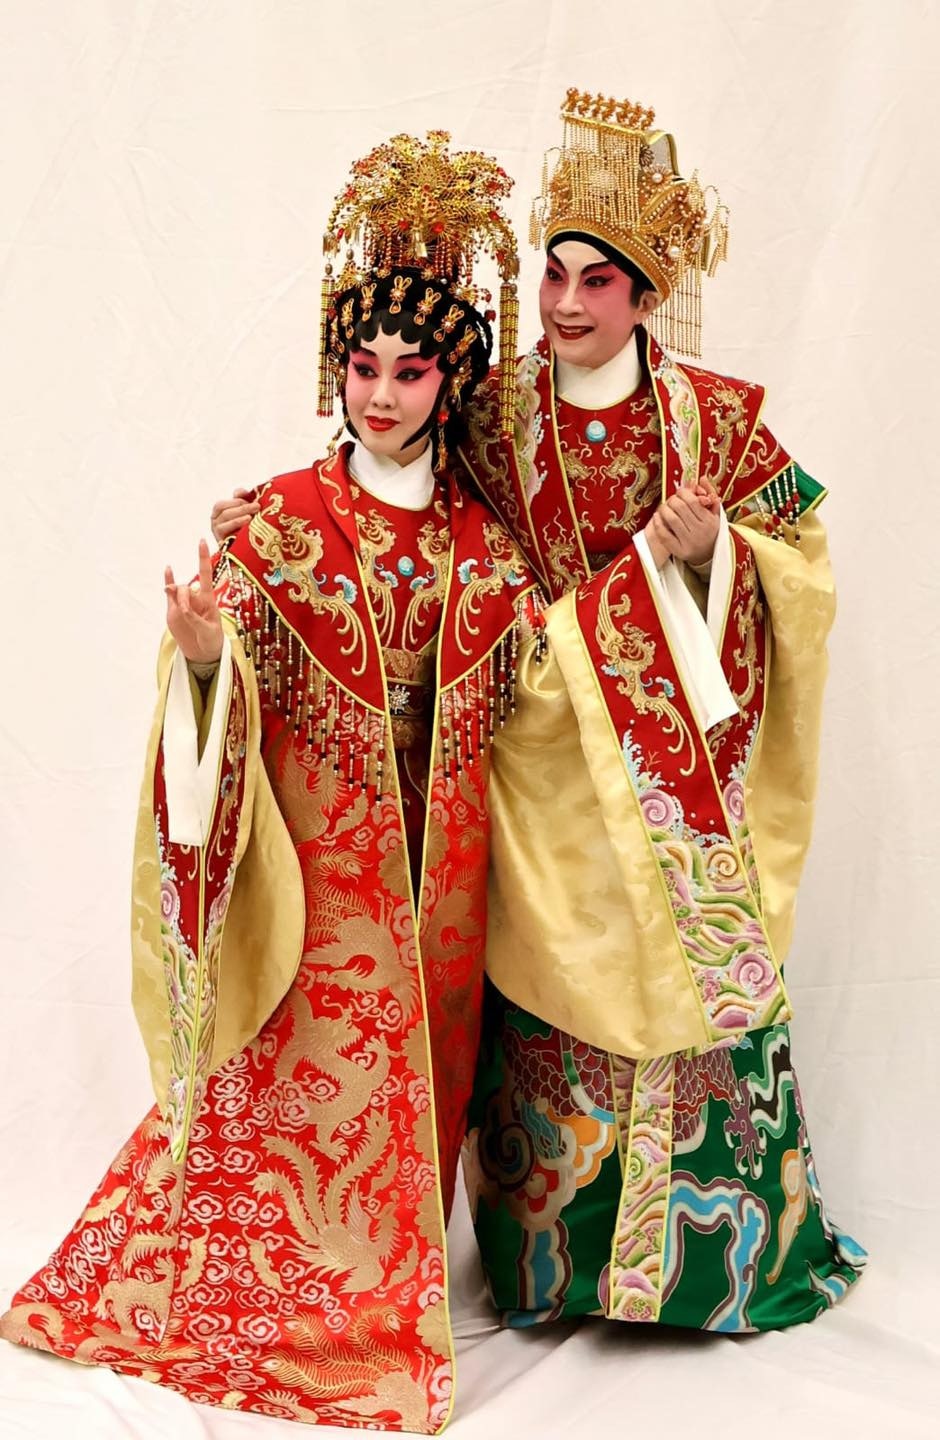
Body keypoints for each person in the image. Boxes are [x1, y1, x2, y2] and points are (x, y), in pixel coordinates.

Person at [0, 131, 542, 1433]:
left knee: (431, 1086)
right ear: (334, 368)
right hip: (325, 868)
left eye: (411, 370)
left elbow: (543, 710)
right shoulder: (278, 522)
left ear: (451, 383)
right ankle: (325, 1306)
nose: (382, 394)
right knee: (309, 1088)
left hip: (445, 871)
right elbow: (223, 709)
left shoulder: (488, 544)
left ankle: (395, 1282)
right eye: (364, 365)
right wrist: (201, 657)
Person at [459, 89, 866, 1331]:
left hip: (684, 760)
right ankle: (555, 1267)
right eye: (554, 274)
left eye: (598, 281)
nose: (566, 304)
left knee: (693, 981)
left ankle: (718, 1266)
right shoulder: (491, 413)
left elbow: (802, 556)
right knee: (551, 983)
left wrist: (712, 560)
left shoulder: (717, 421)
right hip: (543, 766)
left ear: (647, 296)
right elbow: (428, 524)